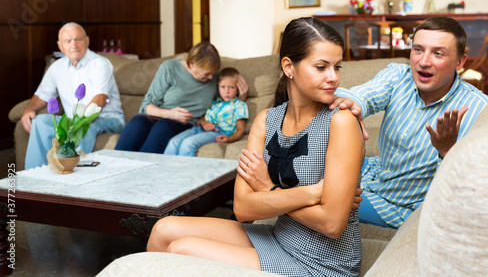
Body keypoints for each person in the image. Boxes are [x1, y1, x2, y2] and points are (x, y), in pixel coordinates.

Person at [147, 17, 365, 276]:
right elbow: (242, 208)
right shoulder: (266, 120)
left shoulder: (341, 122)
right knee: (163, 229)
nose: (333, 78)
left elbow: (331, 224)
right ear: (288, 66)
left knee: (180, 249)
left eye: (337, 67)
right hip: (279, 236)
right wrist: (313, 194)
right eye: (321, 67)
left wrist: (267, 189)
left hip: (321, 262)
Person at [331, 16, 488, 228]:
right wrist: (352, 103)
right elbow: (361, 95)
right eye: (418, 49)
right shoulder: (398, 76)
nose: (423, 61)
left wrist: (447, 150)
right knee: (308, 174)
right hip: (377, 173)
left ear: (460, 61)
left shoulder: (480, 108)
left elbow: (475, 185)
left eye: (438, 53)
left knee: (327, 200)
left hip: (401, 206)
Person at [21, 22, 125, 170]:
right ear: (60, 46)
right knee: (40, 122)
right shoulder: (57, 67)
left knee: (83, 126)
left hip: (108, 118)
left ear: (87, 41)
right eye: (68, 41)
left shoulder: (100, 64)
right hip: (73, 119)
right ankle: (33, 176)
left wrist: (79, 122)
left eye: (78, 39)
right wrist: (29, 109)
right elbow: (42, 95)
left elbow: (99, 100)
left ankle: (74, 176)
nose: (74, 45)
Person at [114, 42, 248, 154]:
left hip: (185, 124)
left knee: (163, 126)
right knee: (138, 120)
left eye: (213, 74)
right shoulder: (169, 68)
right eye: (207, 74)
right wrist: (170, 114)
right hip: (160, 116)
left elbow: (227, 104)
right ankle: (114, 167)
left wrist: (242, 96)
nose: (211, 78)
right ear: (192, 64)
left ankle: (141, 172)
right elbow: (146, 107)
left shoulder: (213, 79)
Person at [164, 67, 248, 156]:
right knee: (174, 141)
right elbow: (200, 120)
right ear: (218, 87)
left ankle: (183, 170)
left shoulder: (239, 105)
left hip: (219, 132)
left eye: (231, 87)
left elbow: (240, 130)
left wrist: (229, 139)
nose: (227, 91)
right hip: (200, 129)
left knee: (188, 143)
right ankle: (166, 169)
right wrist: (204, 123)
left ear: (238, 88)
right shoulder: (214, 103)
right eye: (223, 87)